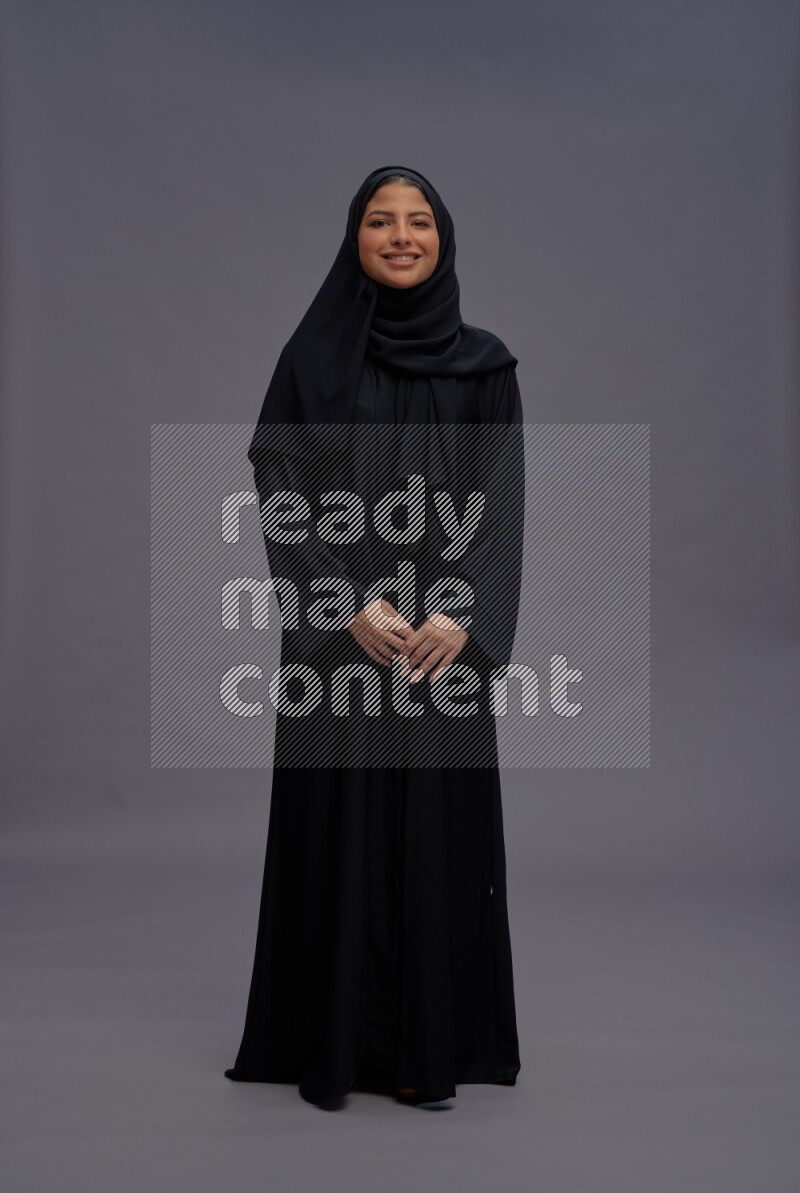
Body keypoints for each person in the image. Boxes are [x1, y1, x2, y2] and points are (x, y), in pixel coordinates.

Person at [224, 165, 525, 1107]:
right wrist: (339, 603)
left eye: (420, 221)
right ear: (353, 238)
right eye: (380, 221)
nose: (402, 236)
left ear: (444, 237)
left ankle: (433, 1046)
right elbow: (278, 487)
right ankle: (336, 1040)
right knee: (337, 831)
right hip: (343, 643)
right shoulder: (312, 361)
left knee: (439, 836)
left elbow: (502, 501)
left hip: (437, 646)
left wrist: (462, 610)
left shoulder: (487, 367)